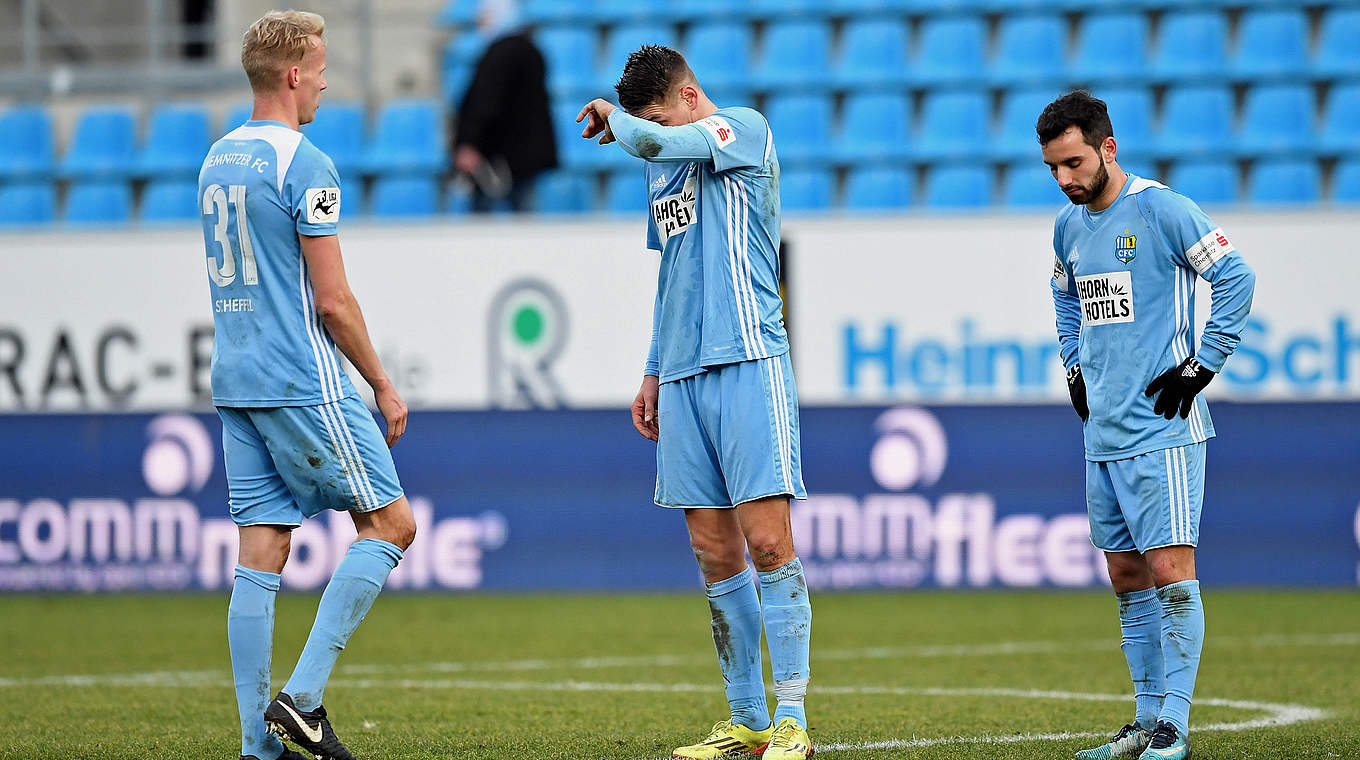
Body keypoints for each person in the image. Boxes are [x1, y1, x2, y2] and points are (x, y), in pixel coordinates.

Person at [577, 46, 813, 760]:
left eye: (658, 114)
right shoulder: (660, 164)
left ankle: (793, 719)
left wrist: (621, 122)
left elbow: (650, 136)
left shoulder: (743, 129)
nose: (651, 131)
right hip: (682, 373)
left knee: (769, 542)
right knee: (714, 553)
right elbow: (673, 269)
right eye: (643, 120)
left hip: (749, 360)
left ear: (689, 95)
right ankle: (746, 720)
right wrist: (652, 369)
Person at [201, 11, 417, 760]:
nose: (326, 78)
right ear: (293, 74)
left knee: (261, 549)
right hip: (302, 380)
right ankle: (303, 700)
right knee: (390, 527)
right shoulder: (306, 163)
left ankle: (257, 751)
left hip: (236, 381)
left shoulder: (215, 161)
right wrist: (383, 384)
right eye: (320, 66)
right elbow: (332, 300)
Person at [1040, 91, 1256, 760]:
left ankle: (1175, 726)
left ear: (1107, 147)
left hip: (1163, 429)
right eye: (1052, 168)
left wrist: (1203, 365)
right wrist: (1074, 368)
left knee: (1170, 571)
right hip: (1101, 435)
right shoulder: (1067, 228)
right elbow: (1065, 299)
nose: (1065, 179)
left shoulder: (1162, 209)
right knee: (1127, 577)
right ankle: (1144, 721)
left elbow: (1237, 276)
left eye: (1073, 162)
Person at [452, 0, 557, 212]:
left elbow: (485, 103)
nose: (480, 21)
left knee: (482, 224)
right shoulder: (532, 50)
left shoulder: (500, 53)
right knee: (524, 219)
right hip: (525, 156)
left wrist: (469, 142)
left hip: (498, 156)